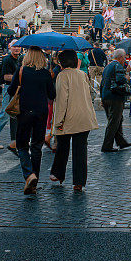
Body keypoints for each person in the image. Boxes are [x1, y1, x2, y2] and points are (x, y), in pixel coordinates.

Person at [7, 46, 55, 194]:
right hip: (41, 112)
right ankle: (34, 182)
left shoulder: (22, 71)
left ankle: (29, 174)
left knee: (21, 145)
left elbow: (10, 90)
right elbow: (52, 95)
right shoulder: (46, 73)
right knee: (36, 146)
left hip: (24, 111)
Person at [50, 50, 99, 191]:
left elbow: (61, 100)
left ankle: (58, 174)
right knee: (80, 150)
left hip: (68, 118)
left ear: (61, 62)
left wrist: (57, 122)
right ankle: (79, 182)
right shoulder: (83, 74)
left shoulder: (62, 76)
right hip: (85, 117)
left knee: (62, 147)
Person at [0, 44, 22, 150]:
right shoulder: (7, 59)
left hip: (16, 88)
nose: (16, 48)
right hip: (9, 88)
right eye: (14, 47)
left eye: (18, 47)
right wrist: (20, 77)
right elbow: (6, 76)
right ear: (10, 48)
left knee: (14, 115)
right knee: (5, 114)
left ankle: (15, 140)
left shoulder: (19, 59)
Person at [100, 49, 131, 152]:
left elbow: (102, 84)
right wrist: (126, 77)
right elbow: (120, 79)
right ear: (120, 57)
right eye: (124, 57)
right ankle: (107, 145)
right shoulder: (117, 66)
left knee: (117, 120)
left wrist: (102, 97)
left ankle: (121, 142)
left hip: (106, 96)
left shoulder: (107, 67)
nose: (124, 59)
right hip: (115, 97)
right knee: (114, 122)